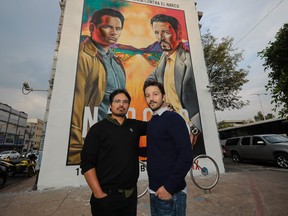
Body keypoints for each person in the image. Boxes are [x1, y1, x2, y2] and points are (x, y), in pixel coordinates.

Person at [68, 8, 126, 164]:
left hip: (115, 140)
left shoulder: (116, 61)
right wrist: (77, 154)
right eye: (108, 27)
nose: (114, 32)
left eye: (118, 28)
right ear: (92, 28)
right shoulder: (82, 57)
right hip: (95, 141)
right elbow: (75, 109)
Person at [80, 89, 147, 216]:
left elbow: (158, 126)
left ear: (128, 105)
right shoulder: (97, 129)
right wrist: (98, 193)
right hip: (106, 197)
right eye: (117, 101)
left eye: (125, 102)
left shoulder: (135, 126)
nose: (121, 104)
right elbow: (87, 163)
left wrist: (166, 109)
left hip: (130, 197)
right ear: (110, 105)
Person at [145, 14, 203, 149]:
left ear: (179, 33)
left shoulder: (189, 61)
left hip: (190, 132)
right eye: (156, 33)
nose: (160, 37)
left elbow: (204, 99)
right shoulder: (164, 58)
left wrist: (194, 129)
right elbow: (151, 77)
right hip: (171, 128)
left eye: (165, 32)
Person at [143, 80, 193, 216]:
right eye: (147, 95)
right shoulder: (152, 122)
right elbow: (156, 150)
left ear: (163, 96)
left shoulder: (173, 118)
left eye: (155, 94)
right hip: (154, 191)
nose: (151, 98)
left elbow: (186, 156)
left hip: (171, 193)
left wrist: (169, 188)